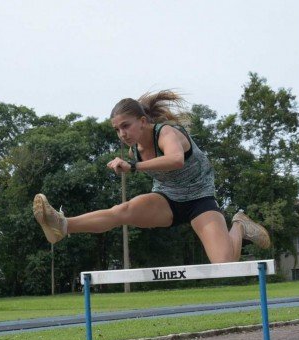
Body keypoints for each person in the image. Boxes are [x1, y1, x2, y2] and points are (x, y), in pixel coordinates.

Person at [33, 90, 270, 263]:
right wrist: (133, 163)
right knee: (122, 211)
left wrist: (134, 166)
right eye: (117, 129)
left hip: (200, 200)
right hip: (167, 200)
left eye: (126, 126)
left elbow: (176, 159)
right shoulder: (134, 150)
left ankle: (239, 225)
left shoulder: (166, 133)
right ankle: (62, 225)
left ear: (143, 121)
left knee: (224, 263)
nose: (122, 133)